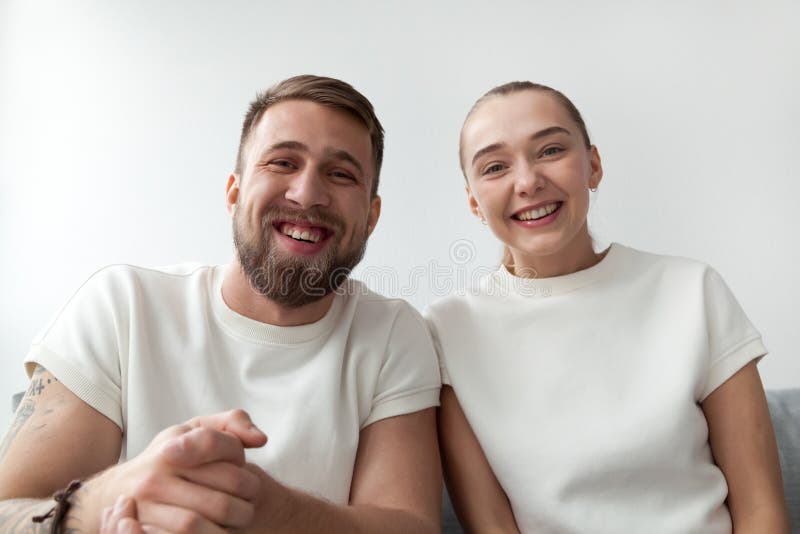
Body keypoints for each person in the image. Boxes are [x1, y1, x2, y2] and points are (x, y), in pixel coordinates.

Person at [0, 75, 442, 533]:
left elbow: (410, 524)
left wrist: (271, 510)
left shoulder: (393, 333)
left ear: (370, 217)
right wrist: (113, 498)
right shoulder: (120, 305)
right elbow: (7, 510)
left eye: (341, 174)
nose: (307, 193)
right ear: (233, 193)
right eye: (283, 162)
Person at [425, 81, 790, 533]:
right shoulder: (448, 330)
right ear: (473, 202)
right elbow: (492, 528)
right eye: (496, 167)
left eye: (550, 150)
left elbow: (762, 511)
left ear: (592, 166)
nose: (527, 181)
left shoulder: (692, 290)